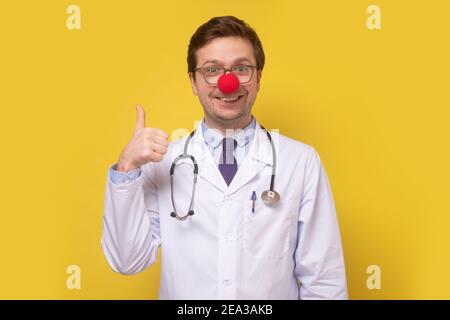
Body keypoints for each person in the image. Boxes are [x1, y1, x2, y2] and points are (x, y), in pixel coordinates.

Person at [101, 16, 348, 299]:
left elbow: (325, 281)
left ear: (258, 78)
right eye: (212, 70)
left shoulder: (301, 162)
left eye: (241, 68)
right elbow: (126, 261)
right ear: (193, 81)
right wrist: (127, 168)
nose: (227, 82)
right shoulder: (162, 163)